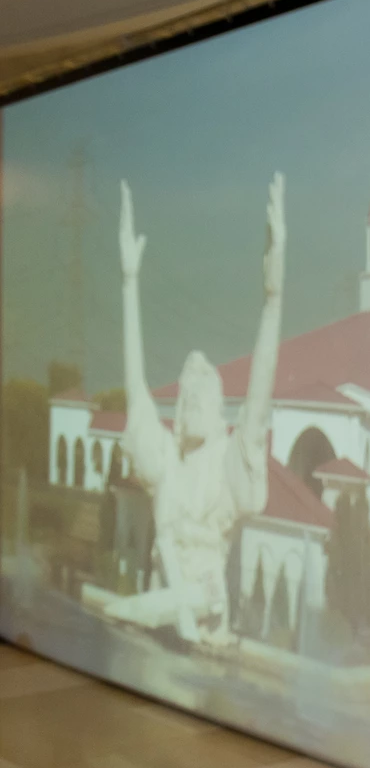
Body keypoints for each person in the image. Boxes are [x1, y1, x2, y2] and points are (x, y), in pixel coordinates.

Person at [108, 174, 285, 646]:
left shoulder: (227, 472)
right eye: (185, 396)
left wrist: (273, 300)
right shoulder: (167, 462)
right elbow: (136, 392)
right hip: (156, 624)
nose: (188, 403)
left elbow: (258, 403)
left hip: (204, 629)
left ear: (218, 409)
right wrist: (129, 283)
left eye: (199, 395)